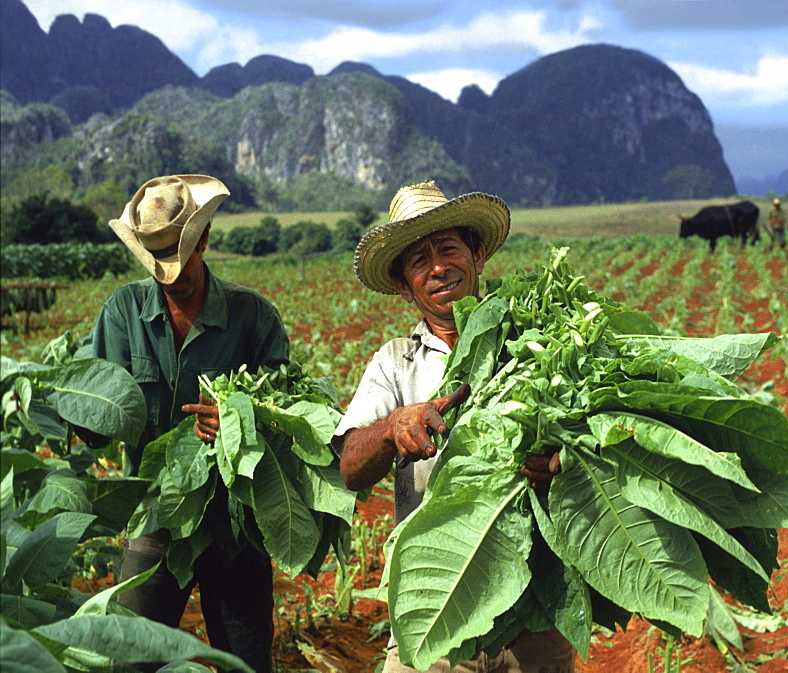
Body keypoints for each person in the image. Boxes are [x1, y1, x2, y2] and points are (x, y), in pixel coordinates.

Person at [333, 180, 574, 673]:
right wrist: (391, 427)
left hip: (534, 606)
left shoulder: (541, 340)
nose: (438, 267)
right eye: (419, 260)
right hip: (435, 600)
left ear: (478, 255)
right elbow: (351, 468)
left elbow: (596, 448)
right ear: (404, 285)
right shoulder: (394, 363)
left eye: (448, 248)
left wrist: (561, 464)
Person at [91, 174, 289, 673]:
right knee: (131, 659)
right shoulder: (122, 312)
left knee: (246, 662)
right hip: (156, 515)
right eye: (155, 259)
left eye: (178, 255)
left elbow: (288, 413)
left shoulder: (253, 316)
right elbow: (97, 415)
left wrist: (239, 419)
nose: (168, 274)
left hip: (235, 522)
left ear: (204, 240)